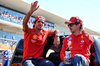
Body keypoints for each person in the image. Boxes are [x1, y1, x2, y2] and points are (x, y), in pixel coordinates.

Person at [22, 1, 60, 66]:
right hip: (28, 59)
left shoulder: (45, 32)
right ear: (34, 23)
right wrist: (30, 12)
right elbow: (25, 23)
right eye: (39, 22)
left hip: (40, 60)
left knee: (50, 65)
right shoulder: (29, 31)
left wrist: (57, 37)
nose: (41, 23)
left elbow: (56, 30)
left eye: (42, 22)